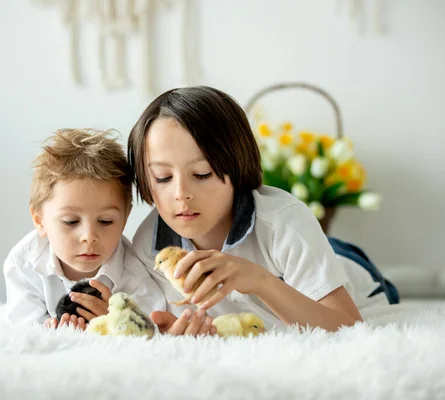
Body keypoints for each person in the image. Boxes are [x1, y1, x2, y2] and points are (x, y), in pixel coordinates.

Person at [127, 86, 399, 334]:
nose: (180, 193)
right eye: (162, 177)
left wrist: (259, 280)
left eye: (202, 173)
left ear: (236, 166)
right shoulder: (148, 245)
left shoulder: (283, 221)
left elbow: (347, 325)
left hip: (346, 264)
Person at [4, 128, 165, 329]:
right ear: (40, 221)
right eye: (71, 222)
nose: (89, 237)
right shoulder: (23, 263)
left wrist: (115, 320)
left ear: (125, 218)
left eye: (105, 221)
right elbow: (23, 326)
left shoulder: (134, 273)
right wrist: (51, 329)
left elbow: (153, 329)